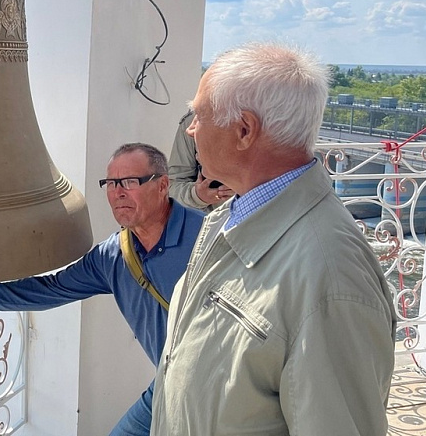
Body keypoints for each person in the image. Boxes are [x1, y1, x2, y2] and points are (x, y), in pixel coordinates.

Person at [150, 43, 397, 436]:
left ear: (244, 130)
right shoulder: (227, 218)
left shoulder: (331, 279)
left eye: (198, 116)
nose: (192, 129)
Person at [0, 143, 205, 436]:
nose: (118, 193)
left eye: (130, 182)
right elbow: (52, 288)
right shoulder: (113, 256)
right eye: (111, 183)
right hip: (168, 384)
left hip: (219, 384)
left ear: (162, 185)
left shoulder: (207, 239)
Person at [167, 109, 234, 211]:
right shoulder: (192, 122)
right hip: (211, 222)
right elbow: (171, 188)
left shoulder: (264, 119)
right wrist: (197, 196)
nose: (190, 130)